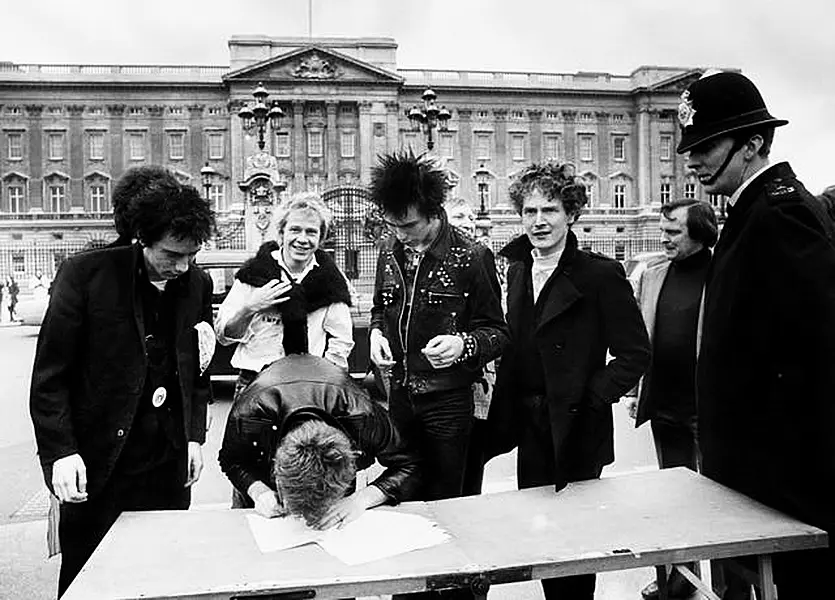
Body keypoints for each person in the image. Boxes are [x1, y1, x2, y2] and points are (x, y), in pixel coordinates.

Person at [678, 71, 835, 600]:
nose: (692, 159)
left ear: (751, 145)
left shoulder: (780, 213)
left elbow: (818, 350)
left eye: (706, 145)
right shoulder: (753, 210)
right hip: (759, 474)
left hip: (785, 481)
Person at [29, 174, 216, 597]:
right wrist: (61, 452)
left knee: (161, 576)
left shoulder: (197, 284)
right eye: (172, 254)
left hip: (165, 465)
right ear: (141, 238)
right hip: (99, 463)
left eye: (192, 254)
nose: (182, 266)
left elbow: (197, 369)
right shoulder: (85, 275)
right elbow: (49, 377)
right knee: (90, 579)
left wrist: (192, 437)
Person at [487, 161, 650, 600]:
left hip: (577, 426)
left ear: (572, 214)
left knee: (577, 547)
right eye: (529, 211)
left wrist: (594, 396)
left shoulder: (598, 274)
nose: (538, 221)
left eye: (550, 210)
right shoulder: (518, 268)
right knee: (543, 538)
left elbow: (635, 354)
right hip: (531, 423)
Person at [368, 151, 507, 511]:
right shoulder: (388, 248)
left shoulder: (473, 256)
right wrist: (376, 333)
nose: (401, 235)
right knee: (400, 496)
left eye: (409, 226)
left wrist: (462, 344)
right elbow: (380, 308)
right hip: (398, 394)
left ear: (433, 211)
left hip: (448, 401)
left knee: (449, 503)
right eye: (393, 226)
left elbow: (498, 332)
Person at [218, 294, 420, 526]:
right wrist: (259, 492)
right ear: (277, 470)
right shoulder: (250, 410)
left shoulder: (360, 413)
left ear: (352, 459)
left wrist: (360, 500)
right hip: (270, 492)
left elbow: (410, 463)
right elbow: (231, 459)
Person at [626, 199, 718, 600]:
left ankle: (732, 584)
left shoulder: (723, 272)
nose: (663, 239)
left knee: (722, 506)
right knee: (674, 504)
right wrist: (634, 391)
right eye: (662, 231)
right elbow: (640, 337)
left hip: (709, 408)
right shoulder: (653, 274)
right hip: (665, 405)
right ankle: (677, 579)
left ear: (699, 233)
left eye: (672, 232)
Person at [216, 192, 354, 402]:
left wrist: (324, 379)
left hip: (309, 384)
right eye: (295, 230)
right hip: (255, 381)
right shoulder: (254, 273)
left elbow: (342, 340)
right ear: (281, 233)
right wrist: (251, 307)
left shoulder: (330, 281)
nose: (302, 239)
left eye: (311, 232)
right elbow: (224, 336)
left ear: (320, 238)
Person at [442, 196, 497, 496]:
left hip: (473, 378)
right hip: (438, 384)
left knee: (469, 466)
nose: (468, 223)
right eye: (460, 216)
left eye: (471, 218)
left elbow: (494, 324)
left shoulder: (480, 257)